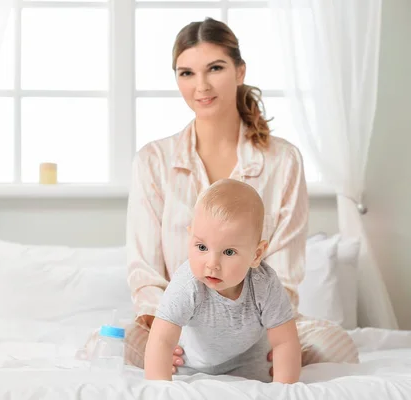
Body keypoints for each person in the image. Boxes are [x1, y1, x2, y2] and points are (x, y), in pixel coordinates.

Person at [125, 16, 359, 374]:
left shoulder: (283, 160)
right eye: (186, 73)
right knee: (110, 344)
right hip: (178, 322)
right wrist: (163, 331)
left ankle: (247, 362)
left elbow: (284, 270)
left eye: (214, 68)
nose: (200, 85)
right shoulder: (153, 161)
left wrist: (269, 333)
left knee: (335, 344)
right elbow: (145, 272)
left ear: (239, 71)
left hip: (261, 322)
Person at [144, 179, 301, 383]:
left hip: (251, 370)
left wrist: (284, 388)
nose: (212, 263)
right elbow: (162, 339)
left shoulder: (265, 284)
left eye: (229, 252)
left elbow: (284, 341)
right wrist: (159, 388)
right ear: (190, 237)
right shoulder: (187, 284)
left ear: (256, 254)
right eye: (201, 247)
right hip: (191, 368)